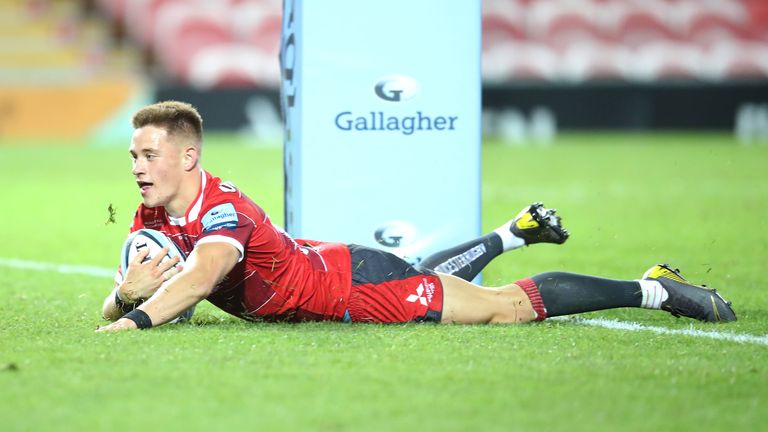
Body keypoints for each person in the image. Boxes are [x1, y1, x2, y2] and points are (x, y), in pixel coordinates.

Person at [97, 101, 736, 332]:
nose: (137, 166)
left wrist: (131, 323)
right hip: (333, 270)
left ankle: (655, 289)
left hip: (352, 289)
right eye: (132, 154)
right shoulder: (153, 209)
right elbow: (143, 288)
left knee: (503, 307)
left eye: (148, 154)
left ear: (188, 155)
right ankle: (515, 233)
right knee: (427, 276)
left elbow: (198, 282)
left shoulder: (223, 210)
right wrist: (123, 298)